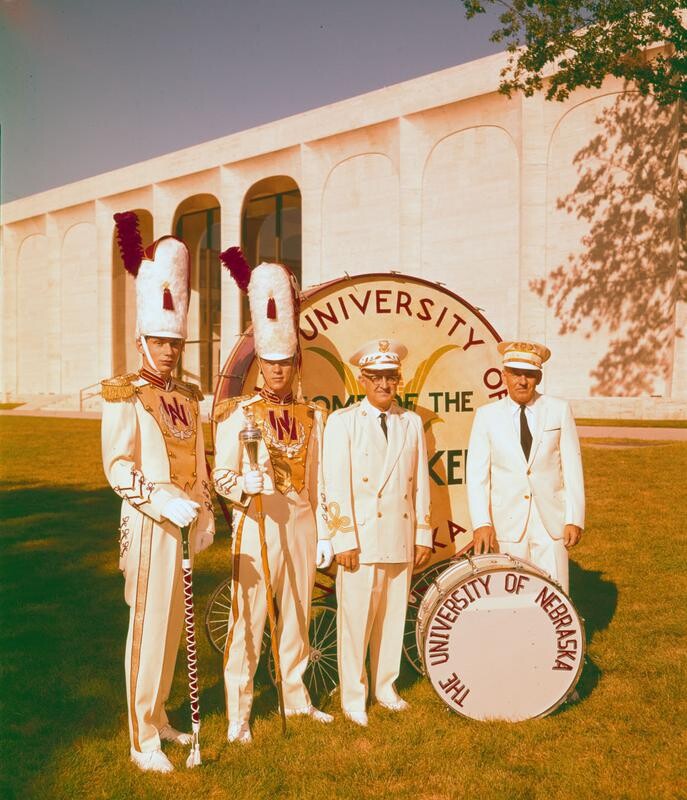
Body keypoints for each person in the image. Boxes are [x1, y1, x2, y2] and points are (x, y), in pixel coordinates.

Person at [101, 213, 215, 774]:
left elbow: (199, 459)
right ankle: (141, 736)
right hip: (150, 523)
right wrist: (159, 499)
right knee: (146, 630)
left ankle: (162, 711)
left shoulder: (190, 395)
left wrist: (205, 510)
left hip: (186, 519)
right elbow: (117, 467)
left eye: (176, 342)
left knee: (174, 628)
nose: (169, 351)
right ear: (143, 338)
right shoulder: (123, 394)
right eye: (160, 341)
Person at [213, 253, 334, 744]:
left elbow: (318, 480)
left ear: (295, 364)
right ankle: (239, 714)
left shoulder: (313, 415)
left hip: (301, 525)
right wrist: (243, 486)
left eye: (286, 362)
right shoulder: (236, 413)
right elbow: (219, 475)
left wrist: (325, 528)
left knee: (298, 615)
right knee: (249, 620)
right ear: (259, 362)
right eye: (271, 362)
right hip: (257, 522)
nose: (279, 370)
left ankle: (296, 697)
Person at [322, 339, 432, 726]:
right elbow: (333, 486)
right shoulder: (342, 422)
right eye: (377, 377)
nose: (385, 384)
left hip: (399, 535)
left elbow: (420, 484)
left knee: (392, 616)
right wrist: (343, 540)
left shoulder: (411, 422)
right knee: (355, 621)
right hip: (362, 541)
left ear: (398, 380)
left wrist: (422, 533)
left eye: (391, 377)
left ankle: (385, 687)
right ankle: (354, 696)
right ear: (362, 380)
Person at [466, 340, 584, 593]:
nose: (522, 381)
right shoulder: (486, 416)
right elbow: (477, 477)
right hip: (506, 522)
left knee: (555, 591)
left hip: (551, 522)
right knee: (510, 593)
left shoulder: (559, 410)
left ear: (538, 377)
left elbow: (573, 469)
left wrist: (574, 518)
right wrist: (481, 523)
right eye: (516, 374)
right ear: (503, 376)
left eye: (529, 375)